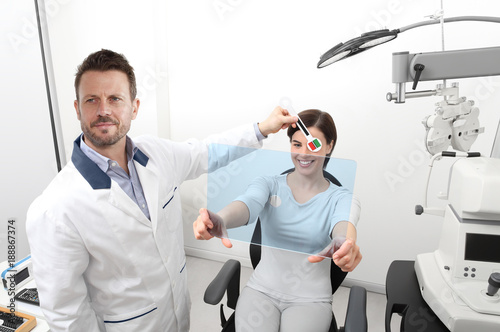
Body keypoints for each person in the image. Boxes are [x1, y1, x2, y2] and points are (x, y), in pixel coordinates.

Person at [25, 49, 298, 332]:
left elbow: (207, 152)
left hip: (177, 315)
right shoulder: (54, 209)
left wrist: (262, 129)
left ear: (134, 106)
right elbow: (67, 315)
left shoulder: (155, 154)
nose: (103, 110)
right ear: (77, 108)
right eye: (91, 99)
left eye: (115, 99)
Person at [193, 109, 362, 332]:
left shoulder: (342, 198)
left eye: (313, 145)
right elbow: (247, 204)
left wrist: (344, 244)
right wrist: (220, 219)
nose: (303, 154)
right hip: (261, 290)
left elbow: (344, 226)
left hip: (310, 299)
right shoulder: (268, 184)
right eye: (296, 144)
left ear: (329, 146)